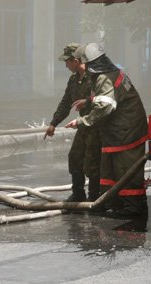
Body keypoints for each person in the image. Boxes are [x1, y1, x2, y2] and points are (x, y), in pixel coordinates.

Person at [65, 43, 149, 217]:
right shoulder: (108, 74)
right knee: (109, 170)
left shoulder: (104, 77)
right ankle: (112, 203)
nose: (85, 69)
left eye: (86, 65)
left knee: (126, 170)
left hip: (126, 131)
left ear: (91, 64)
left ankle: (134, 208)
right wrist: (88, 101)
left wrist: (81, 122)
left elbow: (105, 107)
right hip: (117, 131)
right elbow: (109, 96)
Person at [44, 43, 102, 202]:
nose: (66, 65)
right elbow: (66, 103)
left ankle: (94, 198)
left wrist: (89, 102)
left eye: (67, 62)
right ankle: (78, 194)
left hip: (98, 126)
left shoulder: (97, 77)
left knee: (93, 162)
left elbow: (106, 99)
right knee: (75, 158)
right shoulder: (74, 80)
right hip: (84, 126)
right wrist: (53, 123)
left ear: (76, 60)